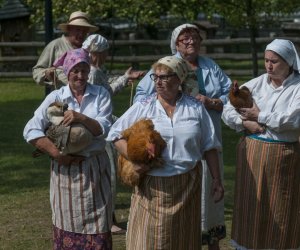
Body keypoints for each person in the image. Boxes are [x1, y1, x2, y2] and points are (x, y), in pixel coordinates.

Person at [106, 56, 224, 250]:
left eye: (164, 77)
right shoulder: (144, 106)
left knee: (182, 242)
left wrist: (217, 180)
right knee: (148, 242)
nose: (158, 81)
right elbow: (115, 134)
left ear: (179, 79)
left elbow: (210, 145)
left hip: (187, 186)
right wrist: (133, 159)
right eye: (156, 77)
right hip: (151, 187)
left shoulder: (195, 108)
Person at [134, 23, 231, 249]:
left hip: (207, 137)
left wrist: (213, 102)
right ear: (176, 43)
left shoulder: (209, 66)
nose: (191, 42)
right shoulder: (166, 66)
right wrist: (157, 110)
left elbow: (229, 94)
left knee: (209, 190)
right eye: (185, 38)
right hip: (176, 144)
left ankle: (212, 241)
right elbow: (141, 93)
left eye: (195, 38)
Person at [24, 48, 113, 249]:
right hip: (64, 170)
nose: (80, 76)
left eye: (84, 70)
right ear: (67, 72)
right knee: (67, 222)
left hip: (95, 170)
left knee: (98, 224)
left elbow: (104, 129)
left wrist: (81, 117)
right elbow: (30, 129)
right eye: (75, 71)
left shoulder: (100, 94)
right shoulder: (56, 97)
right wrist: (57, 154)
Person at [222, 39, 300, 249]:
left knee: (280, 207)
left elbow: (292, 119)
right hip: (251, 152)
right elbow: (228, 109)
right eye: (266, 60)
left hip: (282, 156)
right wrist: (246, 122)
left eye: (274, 61)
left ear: (289, 62)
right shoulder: (257, 83)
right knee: (250, 204)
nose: (269, 66)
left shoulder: (297, 88)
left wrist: (261, 115)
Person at [82, 34, 145, 234]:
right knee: (107, 172)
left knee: (105, 173)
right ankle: (106, 220)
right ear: (96, 53)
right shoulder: (91, 73)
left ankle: (108, 217)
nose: (107, 55)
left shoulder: (96, 71)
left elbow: (106, 89)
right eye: (105, 51)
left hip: (99, 127)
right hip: (99, 131)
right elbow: (104, 95)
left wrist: (125, 77)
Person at [32, 11, 98, 93]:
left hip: (89, 99)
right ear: (69, 29)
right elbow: (37, 72)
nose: (81, 34)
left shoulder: (90, 49)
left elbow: (99, 72)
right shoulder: (56, 46)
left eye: (84, 31)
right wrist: (47, 74)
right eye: (78, 30)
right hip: (61, 99)